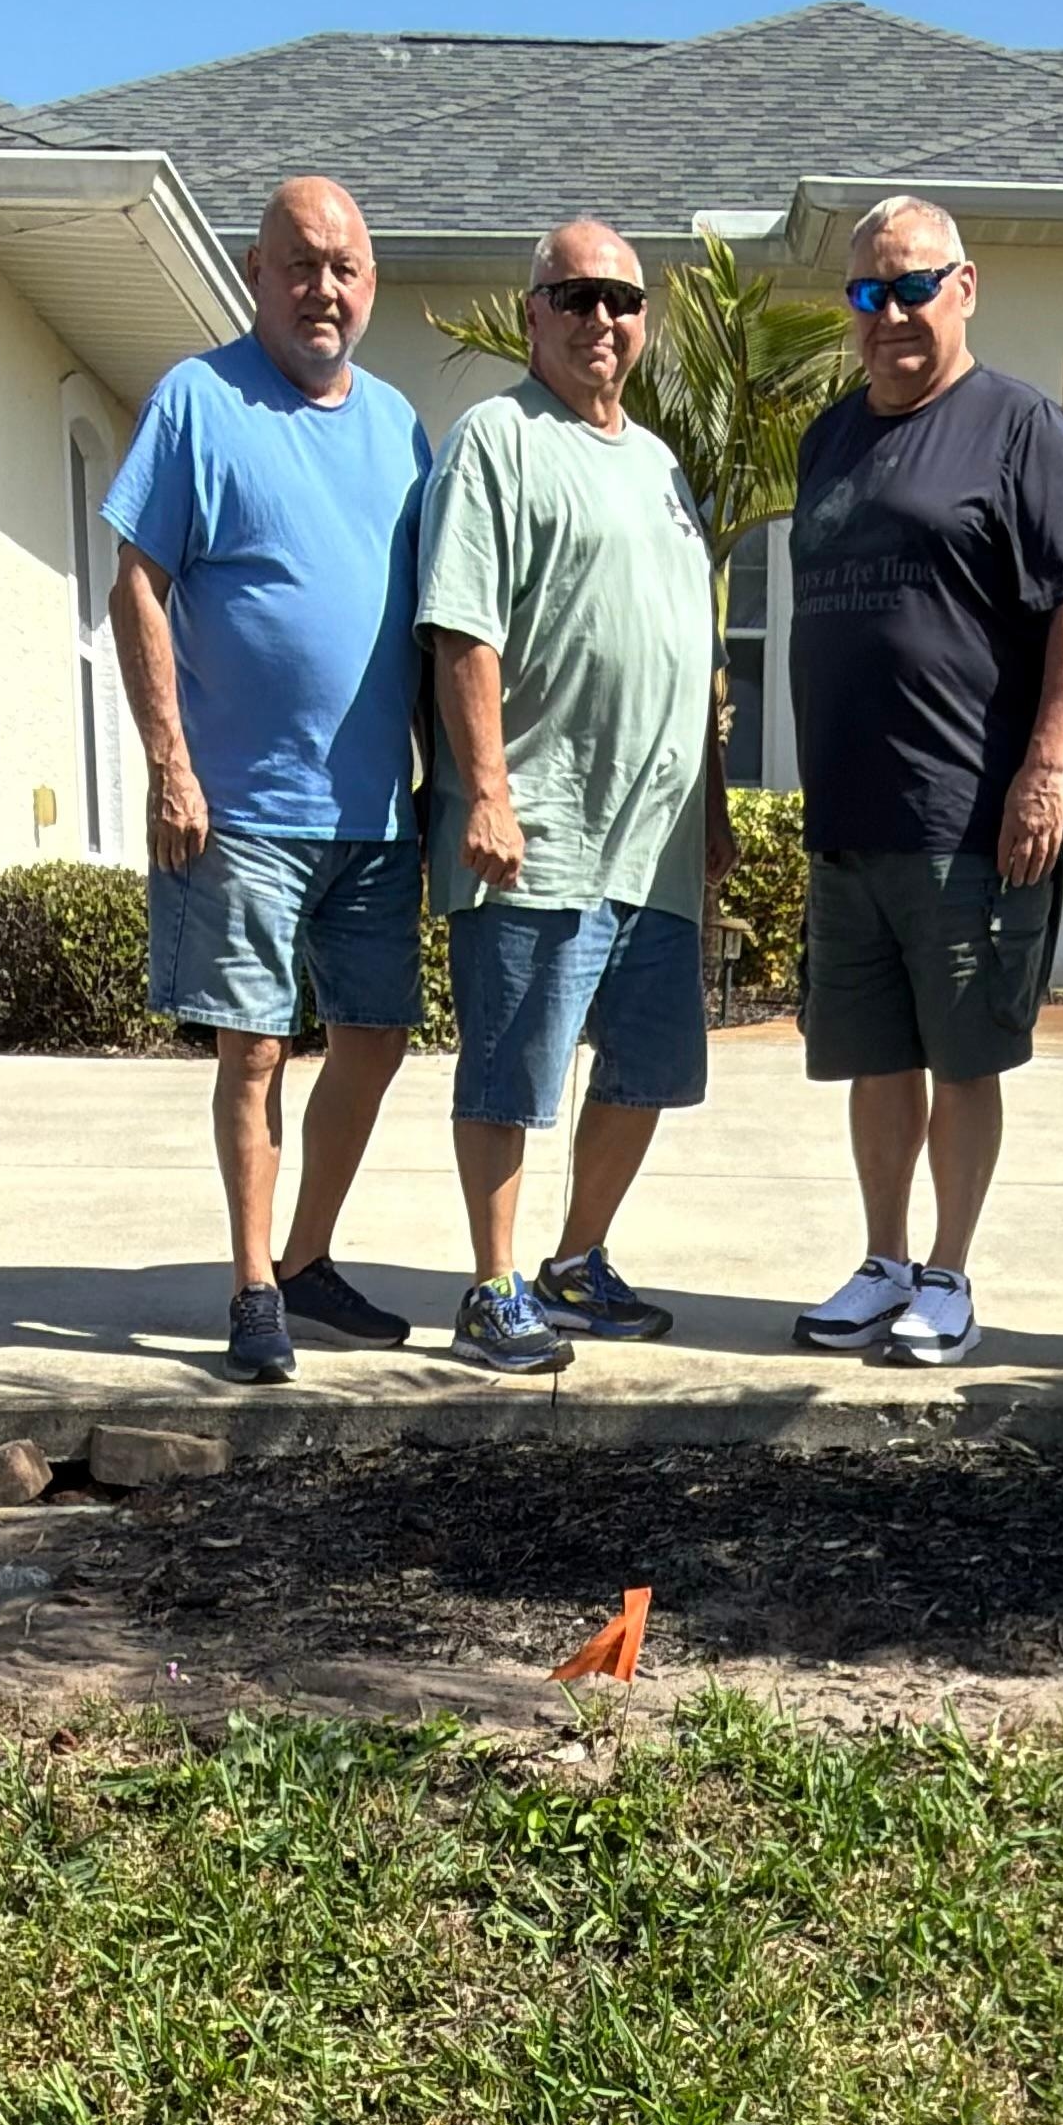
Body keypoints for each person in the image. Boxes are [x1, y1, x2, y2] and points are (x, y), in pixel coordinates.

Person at [104, 177, 430, 1386]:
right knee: (253, 1049)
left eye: (343, 266)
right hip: (238, 806)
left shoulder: (400, 424)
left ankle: (307, 1258)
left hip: (375, 812)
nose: (322, 288)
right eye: (299, 264)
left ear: (371, 281)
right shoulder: (199, 400)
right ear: (256, 273)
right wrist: (169, 763)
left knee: (378, 1037)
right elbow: (136, 581)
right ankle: (251, 1286)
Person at [785, 196, 1063, 1366]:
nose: (892, 314)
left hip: (967, 816)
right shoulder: (826, 438)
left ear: (964, 285)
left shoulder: (1021, 428)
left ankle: (949, 1273)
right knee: (875, 1056)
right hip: (848, 817)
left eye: (913, 285)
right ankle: (882, 1263)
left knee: (963, 1054)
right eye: (870, 293)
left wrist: (1044, 769)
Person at [418, 219, 730, 1375]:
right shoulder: (494, 441)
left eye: (623, 299)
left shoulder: (657, 465)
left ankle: (575, 1260)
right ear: (534, 309)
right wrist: (486, 794)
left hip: (654, 842)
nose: (602, 318)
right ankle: (492, 1285)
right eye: (577, 296)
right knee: (511, 1069)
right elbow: (463, 629)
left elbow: (688, 648)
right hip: (538, 829)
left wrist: (715, 812)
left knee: (645, 1068)